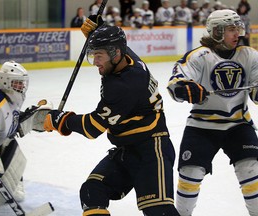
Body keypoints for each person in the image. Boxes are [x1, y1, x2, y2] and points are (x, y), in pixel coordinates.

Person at [43, 18, 179, 215]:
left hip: (151, 149)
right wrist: (100, 29)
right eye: (93, 55)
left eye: (99, 55)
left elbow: (92, 127)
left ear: (115, 53)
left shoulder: (123, 85)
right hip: (127, 148)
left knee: (159, 211)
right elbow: (119, 42)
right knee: (93, 191)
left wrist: (61, 120)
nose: (95, 62)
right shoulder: (127, 59)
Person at [167, 9, 258, 216]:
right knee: (189, 175)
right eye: (231, 29)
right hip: (201, 126)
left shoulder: (249, 55)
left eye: (238, 28)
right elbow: (176, 82)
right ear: (216, 31)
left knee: (251, 171)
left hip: (238, 125)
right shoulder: (199, 56)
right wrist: (183, 88)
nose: (237, 34)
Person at [0, 61, 52, 215]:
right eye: (17, 84)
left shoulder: (6, 97)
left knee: (10, 145)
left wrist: (31, 117)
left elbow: (9, 126)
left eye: (22, 84)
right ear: (5, 81)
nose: (21, 88)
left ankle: (12, 182)